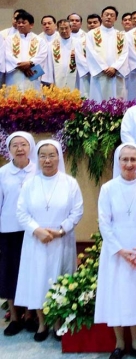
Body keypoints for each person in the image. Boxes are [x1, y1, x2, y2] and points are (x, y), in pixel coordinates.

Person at [95, 144, 136, 359]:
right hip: (116, 251)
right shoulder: (108, 188)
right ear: (118, 161)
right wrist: (121, 251)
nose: (129, 164)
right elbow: (104, 223)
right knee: (117, 296)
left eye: (134, 159)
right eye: (125, 159)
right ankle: (119, 344)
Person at [14, 140, 83, 341]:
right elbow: (21, 212)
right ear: (37, 158)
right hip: (36, 241)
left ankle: (58, 322)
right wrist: (37, 230)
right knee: (38, 281)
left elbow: (77, 210)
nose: (47, 160)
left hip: (62, 240)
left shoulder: (70, 183)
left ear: (59, 157)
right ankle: (42, 324)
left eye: (52, 155)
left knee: (60, 280)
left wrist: (60, 231)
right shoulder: (29, 184)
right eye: (42, 155)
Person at [0, 132, 38, 336]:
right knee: (10, 273)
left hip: (32, 230)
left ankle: (31, 315)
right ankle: (14, 317)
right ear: (9, 149)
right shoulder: (3, 173)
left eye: (23, 144)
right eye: (15, 145)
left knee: (31, 272)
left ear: (30, 147)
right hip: (9, 230)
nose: (19, 148)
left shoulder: (37, 171)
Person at [85, 6, 130, 100]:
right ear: (101, 17)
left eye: (112, 15)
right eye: (106, 15)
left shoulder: (121, 35)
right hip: (100, 74)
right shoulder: (91, 34)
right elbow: (91, 53)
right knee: (99, 102)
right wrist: (104, 68)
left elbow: (125, 53)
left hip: (115, 74)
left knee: (116, 101)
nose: (109, 17)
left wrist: (115, 67)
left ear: (116, 18)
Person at [6, 10, 49, 91]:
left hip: (32, 73)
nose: (20, 25)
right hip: (15, 74)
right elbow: (7, 55)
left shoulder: (39, 40)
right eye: (18, 23)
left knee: (32, 99)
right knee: (13, 99)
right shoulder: (9, 39)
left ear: (31, 25)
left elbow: (42, 56)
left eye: (23, 22)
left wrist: (30, 63)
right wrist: (23, 67)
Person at [43, 19, 77, 89]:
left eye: (66, 28)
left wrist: (77, 56)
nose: (64, 31)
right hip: (57, 79)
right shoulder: (52, 45)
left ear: (71, 29)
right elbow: (48, 65)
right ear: (58, 29)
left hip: (75, 79)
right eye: (61, 28)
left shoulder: (78, 43)